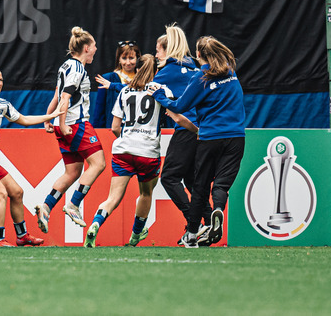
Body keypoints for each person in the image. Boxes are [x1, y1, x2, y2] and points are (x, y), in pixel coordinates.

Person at [151, 36, 246, 247]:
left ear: (199, 55)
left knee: (200, 187)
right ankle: (218, 211)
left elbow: (180, 106)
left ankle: (192, 234)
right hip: (237, 137)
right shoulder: (231, 74)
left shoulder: (202, 77)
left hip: (210, 137)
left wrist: (161, 96)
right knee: (221, 184)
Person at [0, 67, 62, 246]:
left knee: (16, 192)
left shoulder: (3, 105)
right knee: (1, 193)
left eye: (0, 80)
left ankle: (22, 236)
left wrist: (50, 116)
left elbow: (23, 119)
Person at [85, 54, 167, 247]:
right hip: (148, 152)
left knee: (112, 198)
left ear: (136, 69)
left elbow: (114, 127)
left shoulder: (125, 92)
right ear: (156, 72)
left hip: (123, 150)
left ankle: (96, 224)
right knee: (146, 194)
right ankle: (135, 236)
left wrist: (128, 139)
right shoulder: (160, 90)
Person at [36, 27, 107, 232]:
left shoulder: (65, 65)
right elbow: (65, 97)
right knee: (98, 163)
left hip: (64, 124)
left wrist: (49, 118)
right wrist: (62, 123)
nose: (95, 50)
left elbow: (57, 95)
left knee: (73, 171)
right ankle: (74, 204)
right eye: (94, 47)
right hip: (75, 124)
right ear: (86, 48)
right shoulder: (77, 68)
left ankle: (46, 207)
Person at [149, 25, 206, 244]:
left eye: (158, 50)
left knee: (169, 177)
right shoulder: (193, 69)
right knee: (191, 181)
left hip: (185, 129)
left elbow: (144, 88)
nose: (156, 54)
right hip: (200, 130)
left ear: (168, 49)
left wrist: (116, 86)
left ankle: (195, 224)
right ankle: (209, 222)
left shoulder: (168, 72)